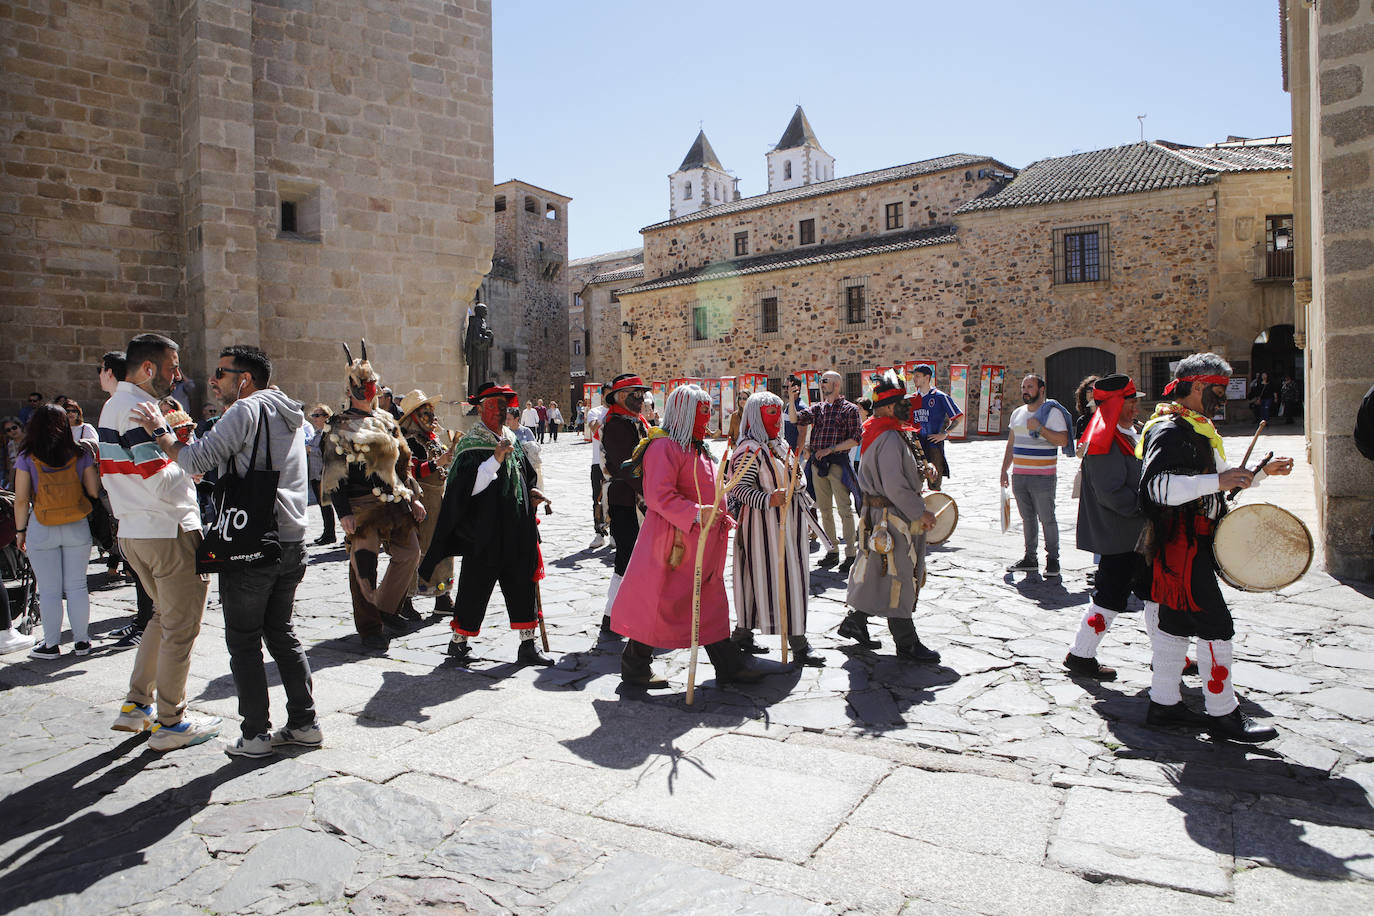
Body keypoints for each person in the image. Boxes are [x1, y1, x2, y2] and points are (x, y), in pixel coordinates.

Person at [132, 344, 320, 758]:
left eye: (221, 373)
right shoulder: (288, 410)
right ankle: (305, 724)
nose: (214, 381)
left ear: (245, 379)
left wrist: (161, 433)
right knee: (282, 633)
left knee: (244, 640)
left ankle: (255, 734)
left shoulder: (245, 410)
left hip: (252, 540)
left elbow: (196, 457)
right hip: (292, 539)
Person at [1139, 353, 1294, 743]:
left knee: (1175, 625)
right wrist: (1218, 481)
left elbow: (1218, 482)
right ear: (1194, 387)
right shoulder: (1170, 430)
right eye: (1217, 391)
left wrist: (1257, 474)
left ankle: (1164, 704)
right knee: (1216, 627)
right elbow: (1156, 489)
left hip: (1191, 543)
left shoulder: (1197, 428)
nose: (1223, 398)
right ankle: (1223, 714)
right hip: (1181, 544)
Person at [98, 332, 221, 751]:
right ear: (149, 368)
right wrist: (189, 465)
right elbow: (160, 480)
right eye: (172, 367)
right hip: (168, 530)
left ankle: (137, 706)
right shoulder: (139, 408)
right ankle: (171, 721)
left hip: (134, 531)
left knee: (161, 619)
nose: (178, 376)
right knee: (181, 627)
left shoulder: (114, 404)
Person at [609, 384, 764, 688]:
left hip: (702, 541)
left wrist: (720, 513)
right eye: (702, 412)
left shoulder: (696, 446)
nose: (708, 418)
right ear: (685, 413)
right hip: (674, 542)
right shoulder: (664, 446)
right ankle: (635, 664)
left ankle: (727, 663)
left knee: (708, 599)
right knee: (664, 602)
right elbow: (658, 496)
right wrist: (696, 512)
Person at [420, 382, 553, 666]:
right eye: (494, 405)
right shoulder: (472, 444)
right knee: (475, 586)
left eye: (504, 406)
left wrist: (532, 493)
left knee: (522, 583)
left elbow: (523, 476)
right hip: (484, 531)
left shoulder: (512, 439)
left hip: (516, 528)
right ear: (480, 409)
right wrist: (494, 459)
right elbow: (466, 490)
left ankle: (527, 645)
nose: (501, 411)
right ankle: (459, 642)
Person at [323, 343, 425, 650]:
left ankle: (384, 608)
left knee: (409, 554)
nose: (371, 389)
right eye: (364, 385)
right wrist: (343, 513)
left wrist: (414, 496)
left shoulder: (386, 419)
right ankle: (369, 627)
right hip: (362, 505)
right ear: (352, 389)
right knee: (363, 567)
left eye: (372, 384)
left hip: (395, 501)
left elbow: (403, 462)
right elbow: (334, 472)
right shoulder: (339, 424)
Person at [841, 371, 941, 662]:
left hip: (883, 514)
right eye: (900, 402)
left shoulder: (890, 432)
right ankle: (906, 642)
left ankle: (856, 622)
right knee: (900, 575)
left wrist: (925, 472)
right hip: (892, 517)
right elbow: (895, 485)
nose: (906, 406)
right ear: (885, 406)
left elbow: (902, 471)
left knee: (876, 571)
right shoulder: (887, 436)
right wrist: (919, 512)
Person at [1063, 374, 1152, 680]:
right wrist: (1150, 507)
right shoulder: (1104, 440)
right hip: (1121, 534)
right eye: (1131, 400)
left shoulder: (1129, 432)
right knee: (1110, 596)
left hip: (1136, 532)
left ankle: (1169, 653)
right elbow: (1112, 493)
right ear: (1117, 404)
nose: (1136, 405)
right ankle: (1080, 654)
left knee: (1154, 593)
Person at [729, 391, 827, 665]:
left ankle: (782, 638)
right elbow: (738, 490)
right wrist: (768, 498)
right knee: (757, 580)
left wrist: (798, 486)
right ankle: (790, 642)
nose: (776, 417)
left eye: (777, 410)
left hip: (790, 526)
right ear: (756, 416)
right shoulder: (748, 450)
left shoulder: (780, 444)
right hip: (761, 530)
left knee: (792, 580)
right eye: (769, 412)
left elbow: (794, 476)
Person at [12, 404, 100, 659]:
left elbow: (20, 499)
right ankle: (82, 641)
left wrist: (20, 531)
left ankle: (51, 644)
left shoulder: (27, 456)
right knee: (77, 586)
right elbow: (93, 490)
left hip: (42, 524)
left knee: (49, 589)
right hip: (76, 523)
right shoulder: (78, 453)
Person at [1000, 373, 1073, 578]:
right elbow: (1011, 444)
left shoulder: (1051, 413)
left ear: (1041, 390)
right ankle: (1030, 558)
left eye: (1030, 387)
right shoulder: (1017, 414)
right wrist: (1004, 469)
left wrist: (1040, 428)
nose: (1025, 390)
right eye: (1023, 386)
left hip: (1043, 477)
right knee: (1027, 519)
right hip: (1020, 476)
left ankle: (1053, 560)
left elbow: (1062, 440)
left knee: (1047, 519)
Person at [600, 374, 651, 639]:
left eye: (642, 394)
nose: (641, 399)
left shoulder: (635, 421)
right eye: (635, 394)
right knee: (626, 558)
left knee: (635, 559)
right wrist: (648, 493)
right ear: (620, 397)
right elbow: (625, 465)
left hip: (636, 499)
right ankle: (611, 616)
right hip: (626, 500)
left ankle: (623, 614)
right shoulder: (617, 424)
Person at [797, 370, 862, 573]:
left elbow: (855, 439)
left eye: (824, 381)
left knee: (844, 509)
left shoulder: (850, 409)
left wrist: (831, 449)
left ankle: (851, 553)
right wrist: (791, 399)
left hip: (837, 463)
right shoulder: (818, 408)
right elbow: (796, 419)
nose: (821, 384)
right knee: (824, 510)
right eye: (821, 381)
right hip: (818, 464)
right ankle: (832, 550)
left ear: (835, 384)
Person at [399, 390, 456, 613]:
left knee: (442, 547)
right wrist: (436, 463)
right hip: (421, 499)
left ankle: (442, 596)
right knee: (419, 549)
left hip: (438, 499)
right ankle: (406, 598)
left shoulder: (432, 439)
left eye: (432, 412)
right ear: (414, 417)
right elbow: (410, 471)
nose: (432, 417)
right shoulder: (410, 442)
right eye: (425, 412)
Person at [909, 365, 963, 491]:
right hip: (916, 446)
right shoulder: (911, 398)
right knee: (915, 482)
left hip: (934, 444)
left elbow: (958, 416)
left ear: (927, 377)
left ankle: (935, 505)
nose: (914, 379)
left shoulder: (940, 397)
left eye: (917, 376)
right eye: (913, 376)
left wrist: (945, 433)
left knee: (934, 481)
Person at [306, 404, 336, 545]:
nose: (315, 419)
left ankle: (330, 534)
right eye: (314, 416)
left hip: (322, 474)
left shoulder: (328, 434)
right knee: (322, 505)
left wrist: (310, 450)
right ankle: (327, 532)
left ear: (326, 417)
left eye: (317, 416)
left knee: (326, 504)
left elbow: (327, 453)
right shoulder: (317, 433)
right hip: (315, 474)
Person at [586, 383, 610, 550]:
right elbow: (593, 426)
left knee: (616, 498)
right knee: (598, 498)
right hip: (598, 462)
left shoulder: (621, 412)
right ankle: (599, 533)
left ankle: (615, 532)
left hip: (616, 462)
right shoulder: (596, 412)